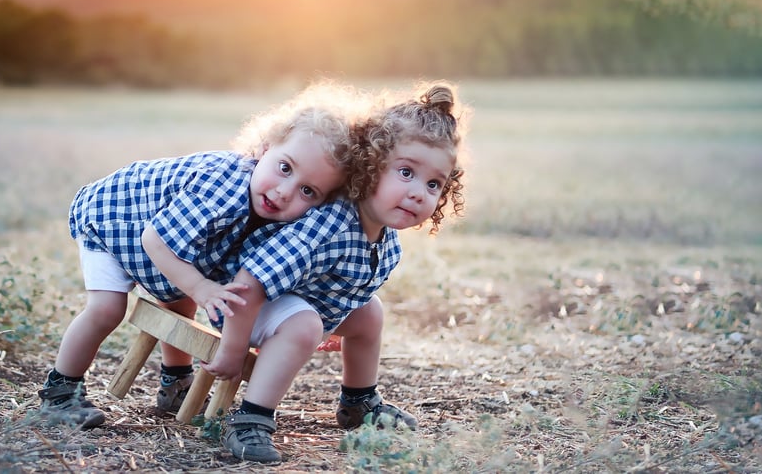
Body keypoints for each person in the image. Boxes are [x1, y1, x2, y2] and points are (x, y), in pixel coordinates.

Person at [37, 82, 356, 430]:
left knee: (181, 297)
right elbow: (155, 240)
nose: (284, 192)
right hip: (115, 223)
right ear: (265, 148)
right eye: (284, 168)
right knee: (107, 308)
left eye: (307, 191)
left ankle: (175, 383)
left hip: (160, 243)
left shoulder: (275, 215)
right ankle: (59, 392)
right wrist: (201, 287)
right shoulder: (223, 185)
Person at [205, 81, 470, 464]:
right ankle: (251, 417)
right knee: (304, 325)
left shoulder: (385, 239)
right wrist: (232, 351)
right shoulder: (327, 226)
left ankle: (359, 401)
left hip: (286, 304)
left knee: (369, 313)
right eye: (406, 172)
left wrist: (331, 320)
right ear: (369, 166)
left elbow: (342, 294)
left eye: (433, 184)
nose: (418, 193)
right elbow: (250, 282)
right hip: (234, 307)